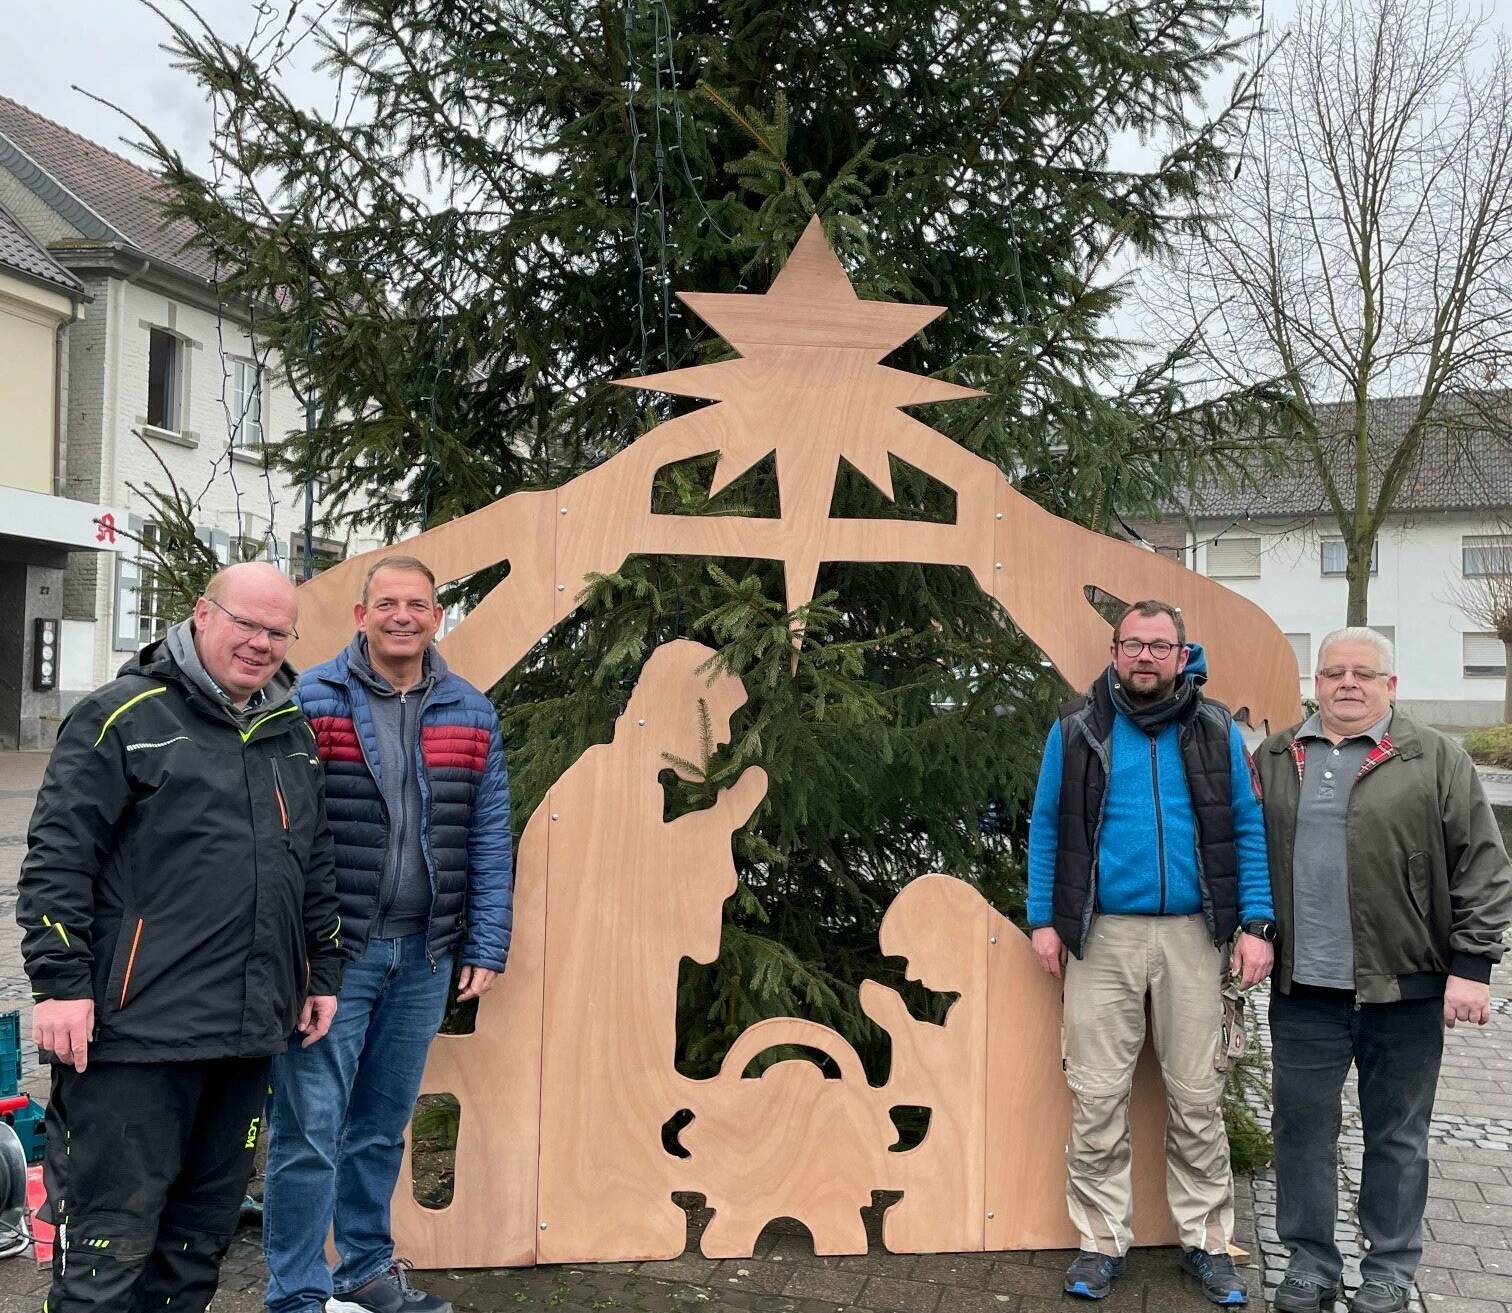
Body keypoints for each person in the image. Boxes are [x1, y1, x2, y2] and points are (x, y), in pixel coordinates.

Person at [18, 561, 343, 1313]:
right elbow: (58, 861)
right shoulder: (120, 718)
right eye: (245, 622)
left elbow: (315, 862)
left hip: (245, 1036)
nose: (261, 642)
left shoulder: (288, 730)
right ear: (202, 613)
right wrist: (61, 985)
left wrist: (321, 970)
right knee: (107, 1250)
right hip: (135, 1038)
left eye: (277, 630)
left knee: (197, 1246)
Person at [264, 555, 513, 1313]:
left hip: (425, 955)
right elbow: (282, 831)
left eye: (419, 603)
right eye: (388, 603)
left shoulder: (471, 710)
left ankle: (364, 1271)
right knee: (307, 1130)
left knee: (379, 1126)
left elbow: (490, 832)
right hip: (333, 962)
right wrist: (302, 951)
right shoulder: (311, 700)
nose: (403, 615)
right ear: (360, 615)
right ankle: (296, 1292)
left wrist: (486, 941)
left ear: (438, 616)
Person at [1027, 598, 1275, 1304]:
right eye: (1132, 644)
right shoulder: (1076, 728)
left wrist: (1256, 923)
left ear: (1180, 655)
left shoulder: (1217, 728)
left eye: (1158, 646)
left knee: (1199, 1096)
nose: (1144, 656)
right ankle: (1101, 1242)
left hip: (1196, 936)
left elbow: (1247, 828)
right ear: (1113, 653)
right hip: (1100, 934)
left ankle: (1206, 1240)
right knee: (1098, 1095)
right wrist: (1044, 917)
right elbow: (1046, 824)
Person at [1257, 627, 1512, 1313]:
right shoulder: (1278, 755)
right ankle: (1309, 1262)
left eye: (1363, 673)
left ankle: (1389, 1268)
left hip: (1406, 985)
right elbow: (1249, 855)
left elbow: (1484, 865)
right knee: (1301, 1129)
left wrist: (1473, 964)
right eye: (1334, 670)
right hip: (1303, 990)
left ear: (1389, 685)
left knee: (1397, 1135)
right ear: (1316, 680)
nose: (1347, 683)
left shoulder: (1435, 756)